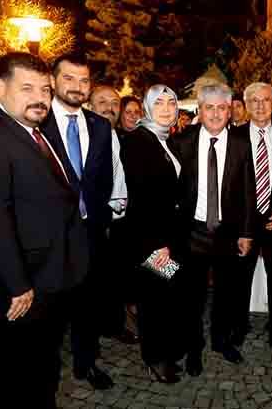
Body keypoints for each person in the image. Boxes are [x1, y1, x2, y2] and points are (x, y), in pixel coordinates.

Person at [0, 52, 89, 408]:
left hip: (47, 278)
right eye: (27, 88)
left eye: (45, 89)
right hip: (16, 289)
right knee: (8, 379)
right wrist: (18, 285)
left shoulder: (33, 133)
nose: (40, 98)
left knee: (39, 369)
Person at [168, 84, 255, 375]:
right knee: (191, 296)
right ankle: (194, 348)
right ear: (200, 110)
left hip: (228, 234)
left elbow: (248, 192)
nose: (216, 114)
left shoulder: (242, 145)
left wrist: (246, 233)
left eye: (222, 108)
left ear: (229, 111)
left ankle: (221, 340)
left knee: (226, 293)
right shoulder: (182, 142)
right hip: (191, 232)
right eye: (209, 108)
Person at [42, 53, 115, 390]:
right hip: (50, 237)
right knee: (51, 310)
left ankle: (86, 363)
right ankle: (45, 371)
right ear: (53, 81)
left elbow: (102, 179)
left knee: (88, 304)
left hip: (91, 234)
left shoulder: (100, 126)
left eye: (84, 80)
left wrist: (100, 218)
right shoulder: (37, 124)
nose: (77, 86)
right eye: (69, 78)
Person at [120, 84, 184, 384]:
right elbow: (141, 198)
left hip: (169, 237)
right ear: (147, 107)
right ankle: (155, 358)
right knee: (154, 299)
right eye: (159, 103)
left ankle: (165, 353)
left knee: (165, 296)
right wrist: (157, 244)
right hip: (151, 241)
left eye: (171, 103)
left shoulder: (166, 139)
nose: (166, 109)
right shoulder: (138, 141)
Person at [231, 82, 272, 347]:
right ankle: (238, 326)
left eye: (265, 100)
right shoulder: (233, 137)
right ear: (246, 105)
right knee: (240, 277)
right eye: (254, 100)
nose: (260, 105)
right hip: (243, 223)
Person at [88, 85, 137, 345]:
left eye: (114, 103)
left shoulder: (124, 138)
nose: (110, 108)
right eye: (102, 102)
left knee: (122, 274)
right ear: (89, 106)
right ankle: (108, 325)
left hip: (126, 223)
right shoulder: (84, 139)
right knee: (103, 277)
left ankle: (123, 317)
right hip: (99, 223)